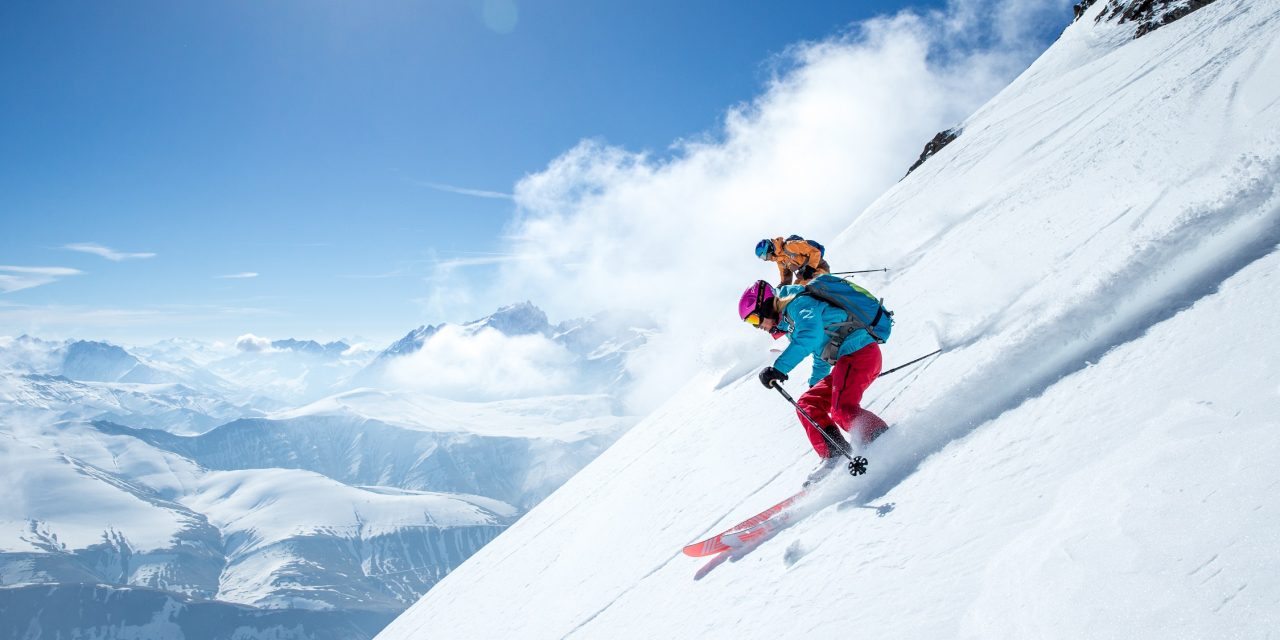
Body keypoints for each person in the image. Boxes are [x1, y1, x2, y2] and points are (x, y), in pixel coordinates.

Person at [737, 278, 889, 467]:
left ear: (765, 306)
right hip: (849, 359)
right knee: (808, 404)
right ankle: (835, 455)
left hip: (859, 353)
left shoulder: (800, 304)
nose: (758, 326)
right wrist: (815, 385)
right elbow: (821, 353)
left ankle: (883, 440)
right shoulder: (792, 321)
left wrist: (779, 369)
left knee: (841, 410)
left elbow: (810, 335)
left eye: (754, 319)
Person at [754, 236, 831, 286]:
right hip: (804, 275)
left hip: (818, 267)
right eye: (763, 258)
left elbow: (815, 252)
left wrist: (810, 268)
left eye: (764, 256)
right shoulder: (780, 261)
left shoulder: (790, 246)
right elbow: (786, 279)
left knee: (804, 288)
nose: (766, 259)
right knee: (794, 291)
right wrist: (778, 290)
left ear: (768, 249)